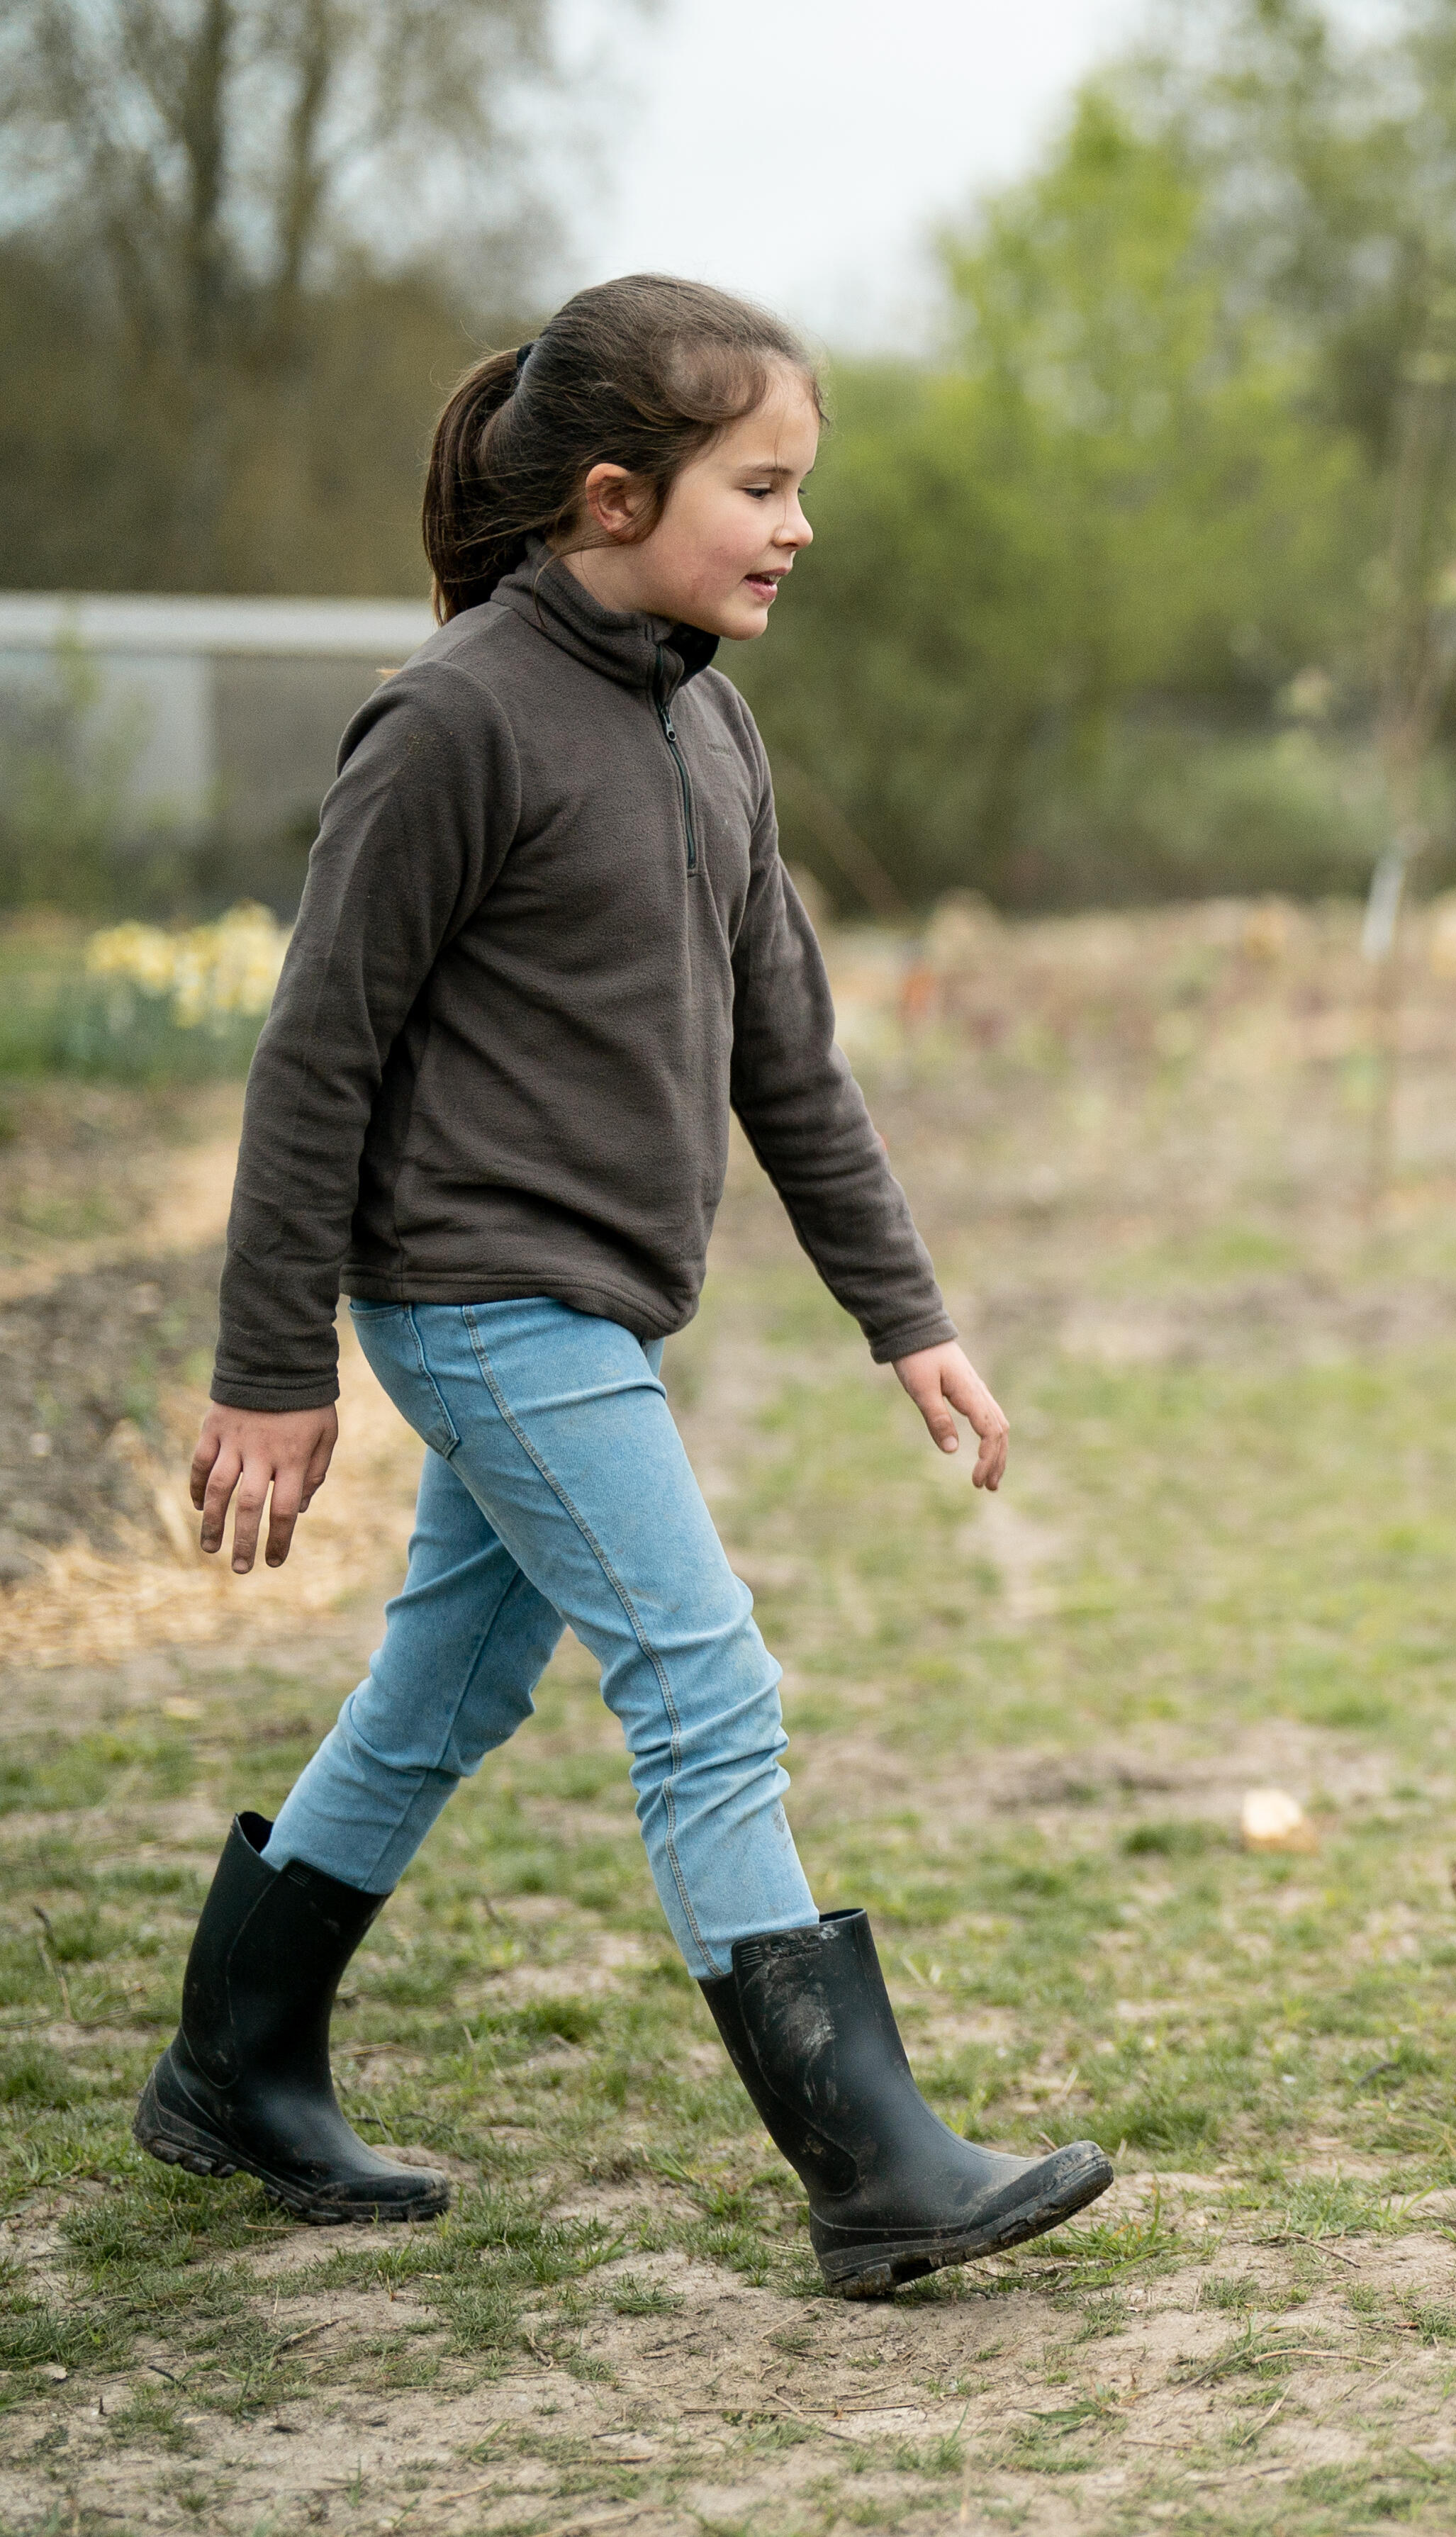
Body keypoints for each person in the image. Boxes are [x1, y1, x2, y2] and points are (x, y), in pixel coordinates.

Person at [138, 275, 1111, 2296]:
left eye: (799, 486)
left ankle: (230, 2066)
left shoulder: (710, 726)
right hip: (481, 1293)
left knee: (453, 1682)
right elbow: (315, 1054)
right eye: (760, 485)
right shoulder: (455, 720)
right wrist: (270, 1365)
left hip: (590, 1302)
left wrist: (907, 1316)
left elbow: (792, 1066)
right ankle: (874, 2170)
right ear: (608, 495)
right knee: (704, 1671)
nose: (797, 526)